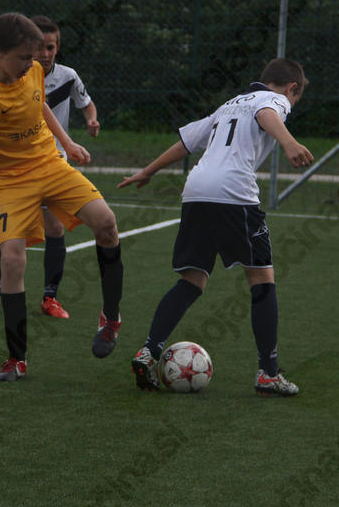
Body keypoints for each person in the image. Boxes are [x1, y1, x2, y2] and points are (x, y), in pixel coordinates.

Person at [118, 58, 314, 396]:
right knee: (262, 280)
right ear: (292, 88)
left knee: (192, 280)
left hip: (196, 191)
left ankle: (149, 351)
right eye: (295, 98)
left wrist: (149, 171)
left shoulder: (229, 105)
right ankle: (268, 373)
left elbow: (187, 143)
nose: (290, 105)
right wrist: (289, 142)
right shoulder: (274, 99)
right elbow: (267, 114)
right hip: (233, 193)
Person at [0, 12, 124, 382]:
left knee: (107, 223)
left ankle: (110, 317)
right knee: (12, 260)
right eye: (24, 57)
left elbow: (39, 103)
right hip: (9, 181)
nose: (34, 62)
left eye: (36, 55)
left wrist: (67, 142)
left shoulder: (33, 71)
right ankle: (17, 359)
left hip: (50, 165)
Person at [0, 15, 100, 320]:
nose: (44, 54)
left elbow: (85, 103)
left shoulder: (67, 76)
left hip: (53, 161)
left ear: (57, 48)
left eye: (50, 48)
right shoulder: (15, 73)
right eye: (38, 48)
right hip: (16, 165)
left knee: (55, 227)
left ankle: (50, 297)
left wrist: (90, 121)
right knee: (6, 228)